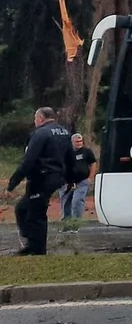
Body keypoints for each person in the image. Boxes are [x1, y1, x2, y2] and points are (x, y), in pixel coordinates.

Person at [6, 107, 73, 255]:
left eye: (35, 118)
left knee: (36, 214)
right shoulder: (64, 132)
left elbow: (29, 160)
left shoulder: (40, 133)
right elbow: (70, 158)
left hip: (42, 178)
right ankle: (32, 242)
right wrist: (70, 179)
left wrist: (13, 183)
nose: (34, 121)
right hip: (56, 177)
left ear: (41, 118)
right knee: (23, 209)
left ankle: (38, 251)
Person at [61, 134, 96, 220]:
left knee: (77, 201)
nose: (79, 143)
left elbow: (93, 163)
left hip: (82, 181)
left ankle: (76, 222)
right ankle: (66, 223)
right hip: (67, 181)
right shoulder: (66, 152)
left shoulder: (87, 152)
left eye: (80, 141)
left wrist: (90, 178)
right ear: (72, 142)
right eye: (77, 142)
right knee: (66, 202)